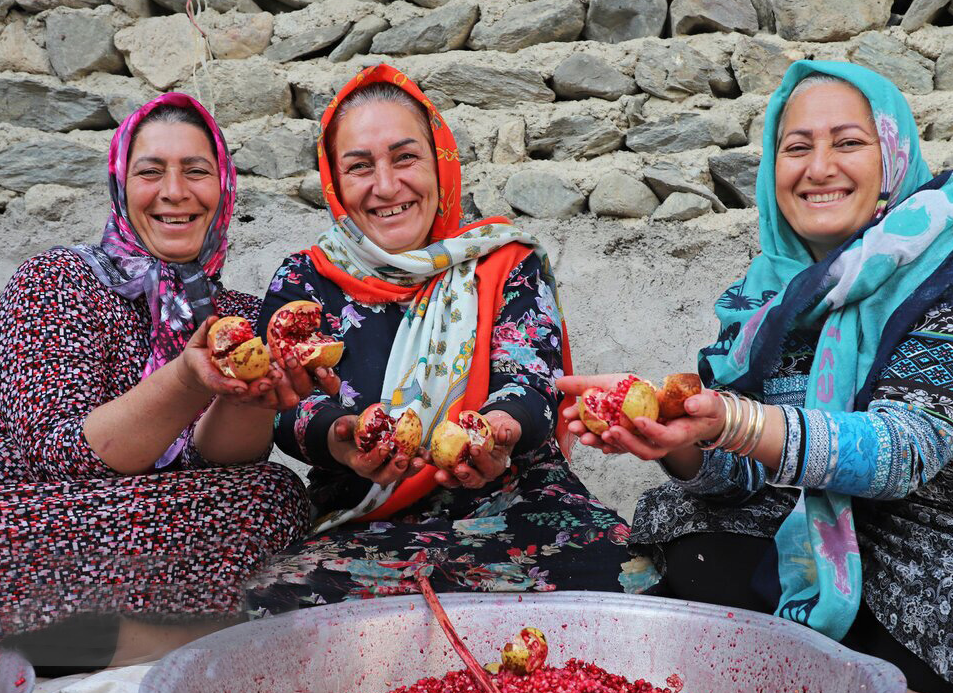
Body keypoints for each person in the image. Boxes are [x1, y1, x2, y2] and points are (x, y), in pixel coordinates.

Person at [559, 61, 953, 693]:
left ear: (892, 157)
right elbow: (747, 463)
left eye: (848, 143)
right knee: (691, 538)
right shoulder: (775, 290)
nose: (818, 168)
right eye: (796, 148)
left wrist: (731, 419)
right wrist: (685, 442)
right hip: (853, 523)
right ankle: (889, 691)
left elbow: (903, 449)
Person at [0, 92, 334, 668]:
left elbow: (223, 467)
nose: (175, 192)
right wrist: (186, 378)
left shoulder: (239, 315)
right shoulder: (56, 281)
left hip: (137, 527)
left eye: (196, 172)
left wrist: (250, 397)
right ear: (120, 186)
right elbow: (63, 458)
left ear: (224, 187)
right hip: (10, 507)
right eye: (150, 171)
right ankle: (145, 640)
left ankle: (18, 632)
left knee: (270, 495)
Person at [243, 63, 659, 611]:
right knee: (277, 610)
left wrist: (497, 434)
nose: (386, 185)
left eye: (405, 157)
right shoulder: (305, 280)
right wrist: (344, 437)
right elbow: (285, 405)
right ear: (335, 183)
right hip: (367, 510)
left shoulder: (502, 261)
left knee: (628, 583)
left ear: (440, 162)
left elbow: (532, 380)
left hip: (520, 500)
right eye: (360, 166)